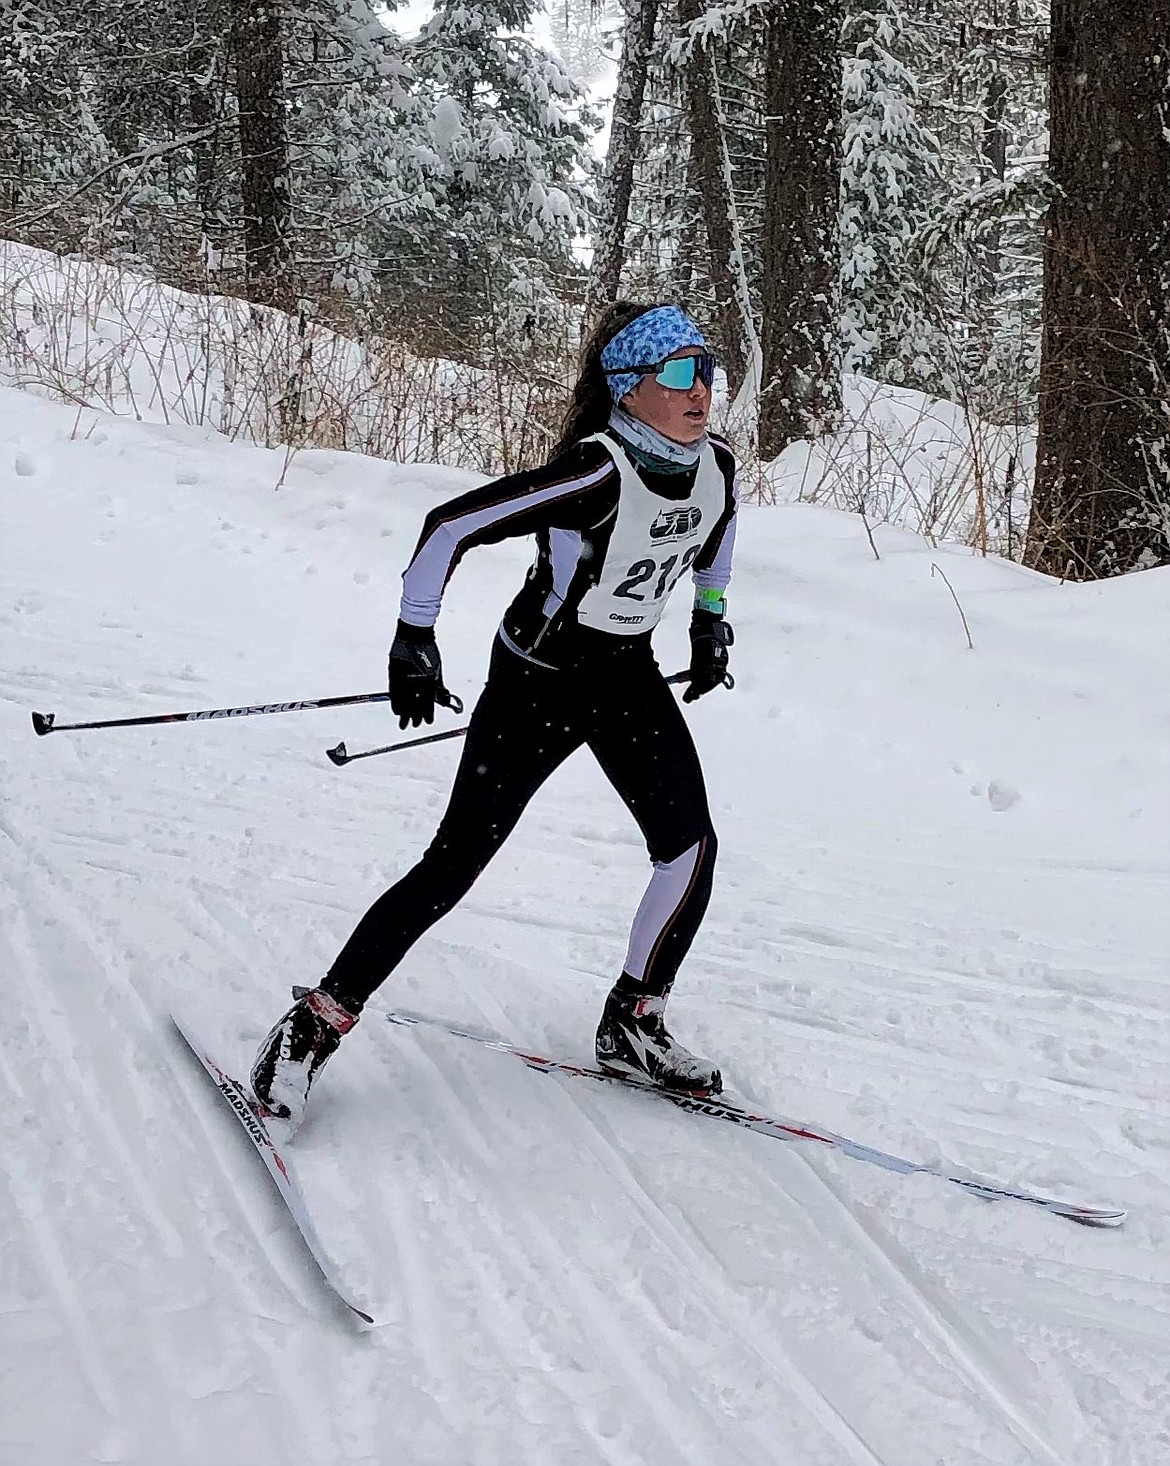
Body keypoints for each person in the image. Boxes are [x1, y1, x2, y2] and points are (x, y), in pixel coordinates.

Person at [251, 301, 739, 1125]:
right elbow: (450, 527)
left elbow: (718, 531)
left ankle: (634, 1021)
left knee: (690, 850)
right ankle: (314, 1024)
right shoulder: (591, 473)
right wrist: (414, 638)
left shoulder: (715, 462)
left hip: (626, 676)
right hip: (539, 683)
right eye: (682, 374)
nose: (703, 391)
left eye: (708, 371)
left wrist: (709, 614)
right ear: (629, 388)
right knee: (454, 863)